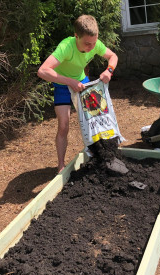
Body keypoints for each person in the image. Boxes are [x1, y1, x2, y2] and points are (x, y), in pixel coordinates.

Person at [37, 15, 118, 173]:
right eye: (87, 43)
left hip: (83, 83)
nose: (91, 47)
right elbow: (42, 71)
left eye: (94, 43)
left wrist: (109, 71)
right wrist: (69, 81)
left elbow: (113, 56)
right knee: (63, 126)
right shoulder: (66, 46)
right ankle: (61, 166)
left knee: (95, 120)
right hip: (62, 86)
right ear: (76, 36)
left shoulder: (95, 44)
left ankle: (101, 157)